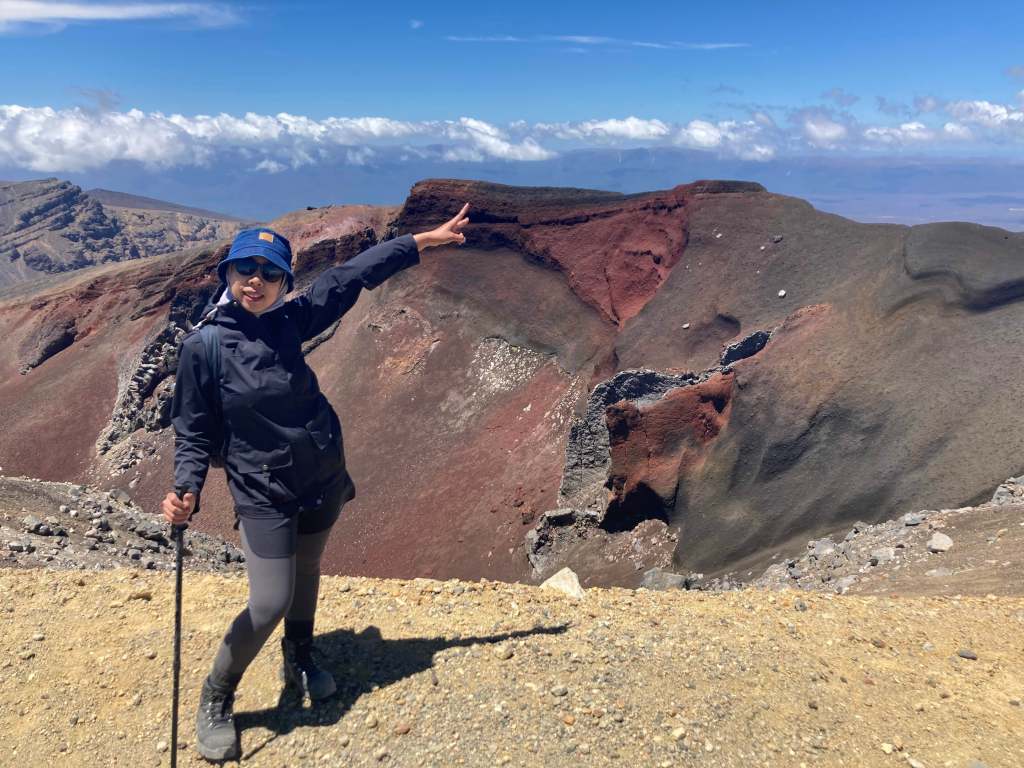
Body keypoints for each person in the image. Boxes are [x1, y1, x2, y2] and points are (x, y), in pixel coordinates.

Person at [161, 203, 469, 762]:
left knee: (307, 570)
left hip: (322, 474)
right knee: (269, 599)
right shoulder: (203, 348)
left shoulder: (290, 321)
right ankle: (218, 695)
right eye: (244, 269)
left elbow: (349, 278)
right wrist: (186, 488)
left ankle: (299, 655)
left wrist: (422, 240)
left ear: (284, 283)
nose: (255, 280)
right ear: (227, 275)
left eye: (270, 272)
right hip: (262, 489)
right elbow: (193, 430)